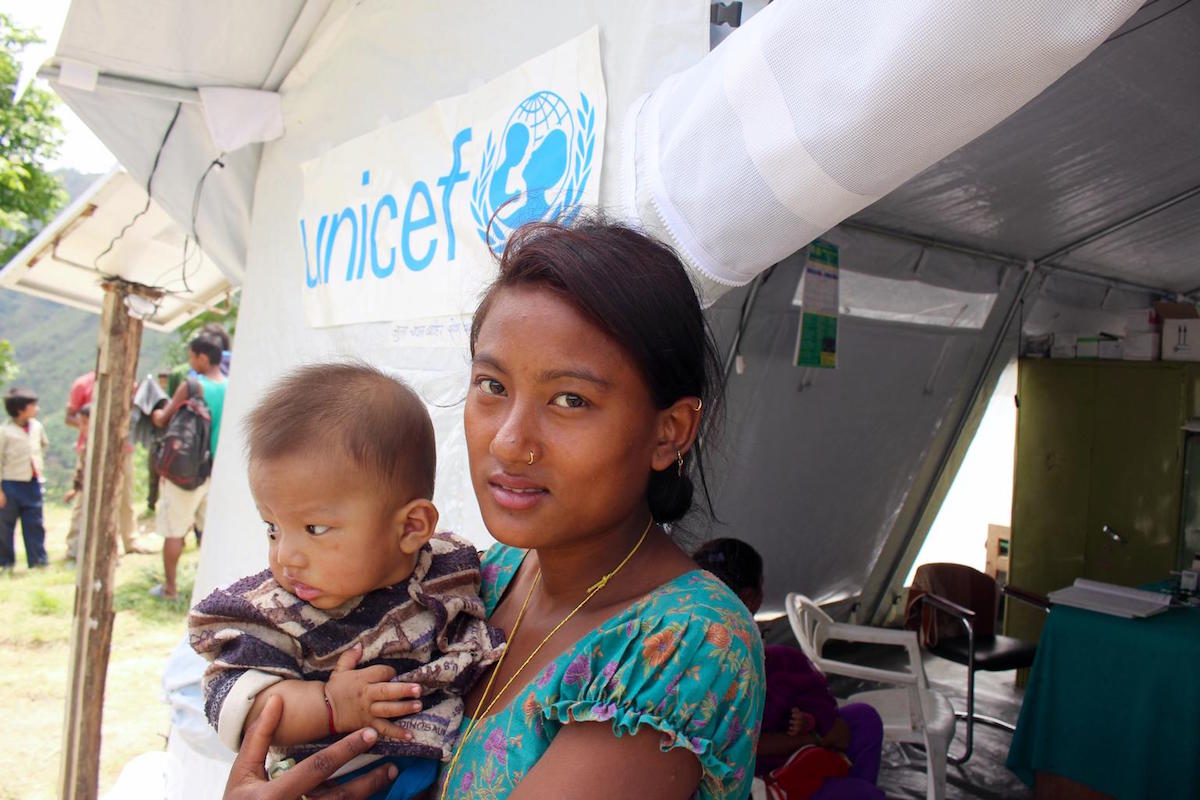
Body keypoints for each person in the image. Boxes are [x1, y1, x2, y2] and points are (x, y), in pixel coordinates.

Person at [226, 218, 765, 800]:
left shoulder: (682, 644)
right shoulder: (482, 575)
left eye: (570, 400)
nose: (509, 442)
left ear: (669, 432)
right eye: (492, 386)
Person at [190, 363, 505, 800]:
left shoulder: (453, 570)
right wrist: (329, 706)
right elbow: (240, 706)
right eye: (272, 527)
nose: (285, 556)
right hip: (331, 782)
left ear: (412, 527)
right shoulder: (276, 613)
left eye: (314, 529)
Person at [693, 538, 885, 800]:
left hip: (783, 749)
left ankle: (836, 778)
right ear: (752, 597)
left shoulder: (734, 645)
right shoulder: (716, 659)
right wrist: (815, 738)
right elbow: (735, 743)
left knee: (863, 718)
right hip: (748, 776)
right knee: (862, 794)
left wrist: (813, 724)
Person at [151, 333, 228, 599]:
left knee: (174, 531)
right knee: (209, 534)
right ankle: (212, 589)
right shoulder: (233, 385)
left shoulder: (194, 387)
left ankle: (170, 589)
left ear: (203, 358)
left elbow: (163, 419)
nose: (190, 361)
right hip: (217, 472)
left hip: (188, 472)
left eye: (192, 355)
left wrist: (156, 412)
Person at [64, 371, 150, 560]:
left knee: (125, 496)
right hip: (91, 447)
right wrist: (92, 426)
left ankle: (130, 539)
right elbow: (69, 417)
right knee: (83, 495)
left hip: (122, 447)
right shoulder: (83, 384)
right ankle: (74, 545)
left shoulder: (129, 381)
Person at [0, 387, 49, 572]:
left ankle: (38, 561)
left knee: (34, 523)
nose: (36, 408)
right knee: (5, 525)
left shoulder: (36, 427)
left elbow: (43, 445)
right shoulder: (5, 432)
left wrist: (36, 464)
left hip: (32, 481)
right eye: (32, 405)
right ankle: (5, 563)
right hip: (10, 483)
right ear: (20, 409)